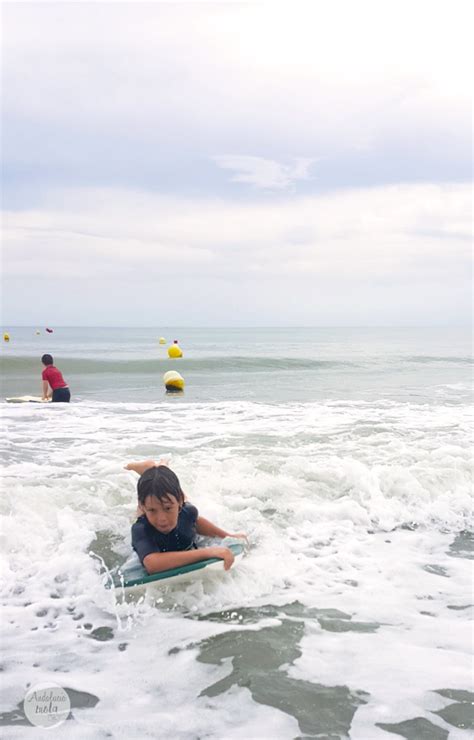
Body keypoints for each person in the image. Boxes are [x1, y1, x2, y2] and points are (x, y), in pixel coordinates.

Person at [125, 460, 247, 574]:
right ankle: (151, 469)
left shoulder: (187, 510)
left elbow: (196, 521)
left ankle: (160, 469)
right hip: (147, 512)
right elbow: (152, 564)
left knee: (167, 495)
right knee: (152, 501)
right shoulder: (140, 529)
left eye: (167, 509)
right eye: (152, 511)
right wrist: (209, 552)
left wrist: (227, 535)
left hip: (178, 504)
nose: (162, 519)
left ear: (180, 503)